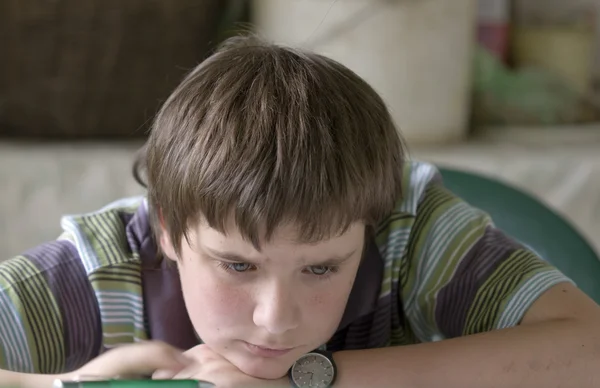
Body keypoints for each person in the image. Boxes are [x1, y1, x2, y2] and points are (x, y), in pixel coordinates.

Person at [1, 35, 599, 388]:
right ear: (168, 229)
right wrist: (63, 386)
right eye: (236, 266)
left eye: (320, 268)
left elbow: (589, 350)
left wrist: (313, 379)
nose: (277, 319)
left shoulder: (409, 231)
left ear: (370, 228)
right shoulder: (104, 269)